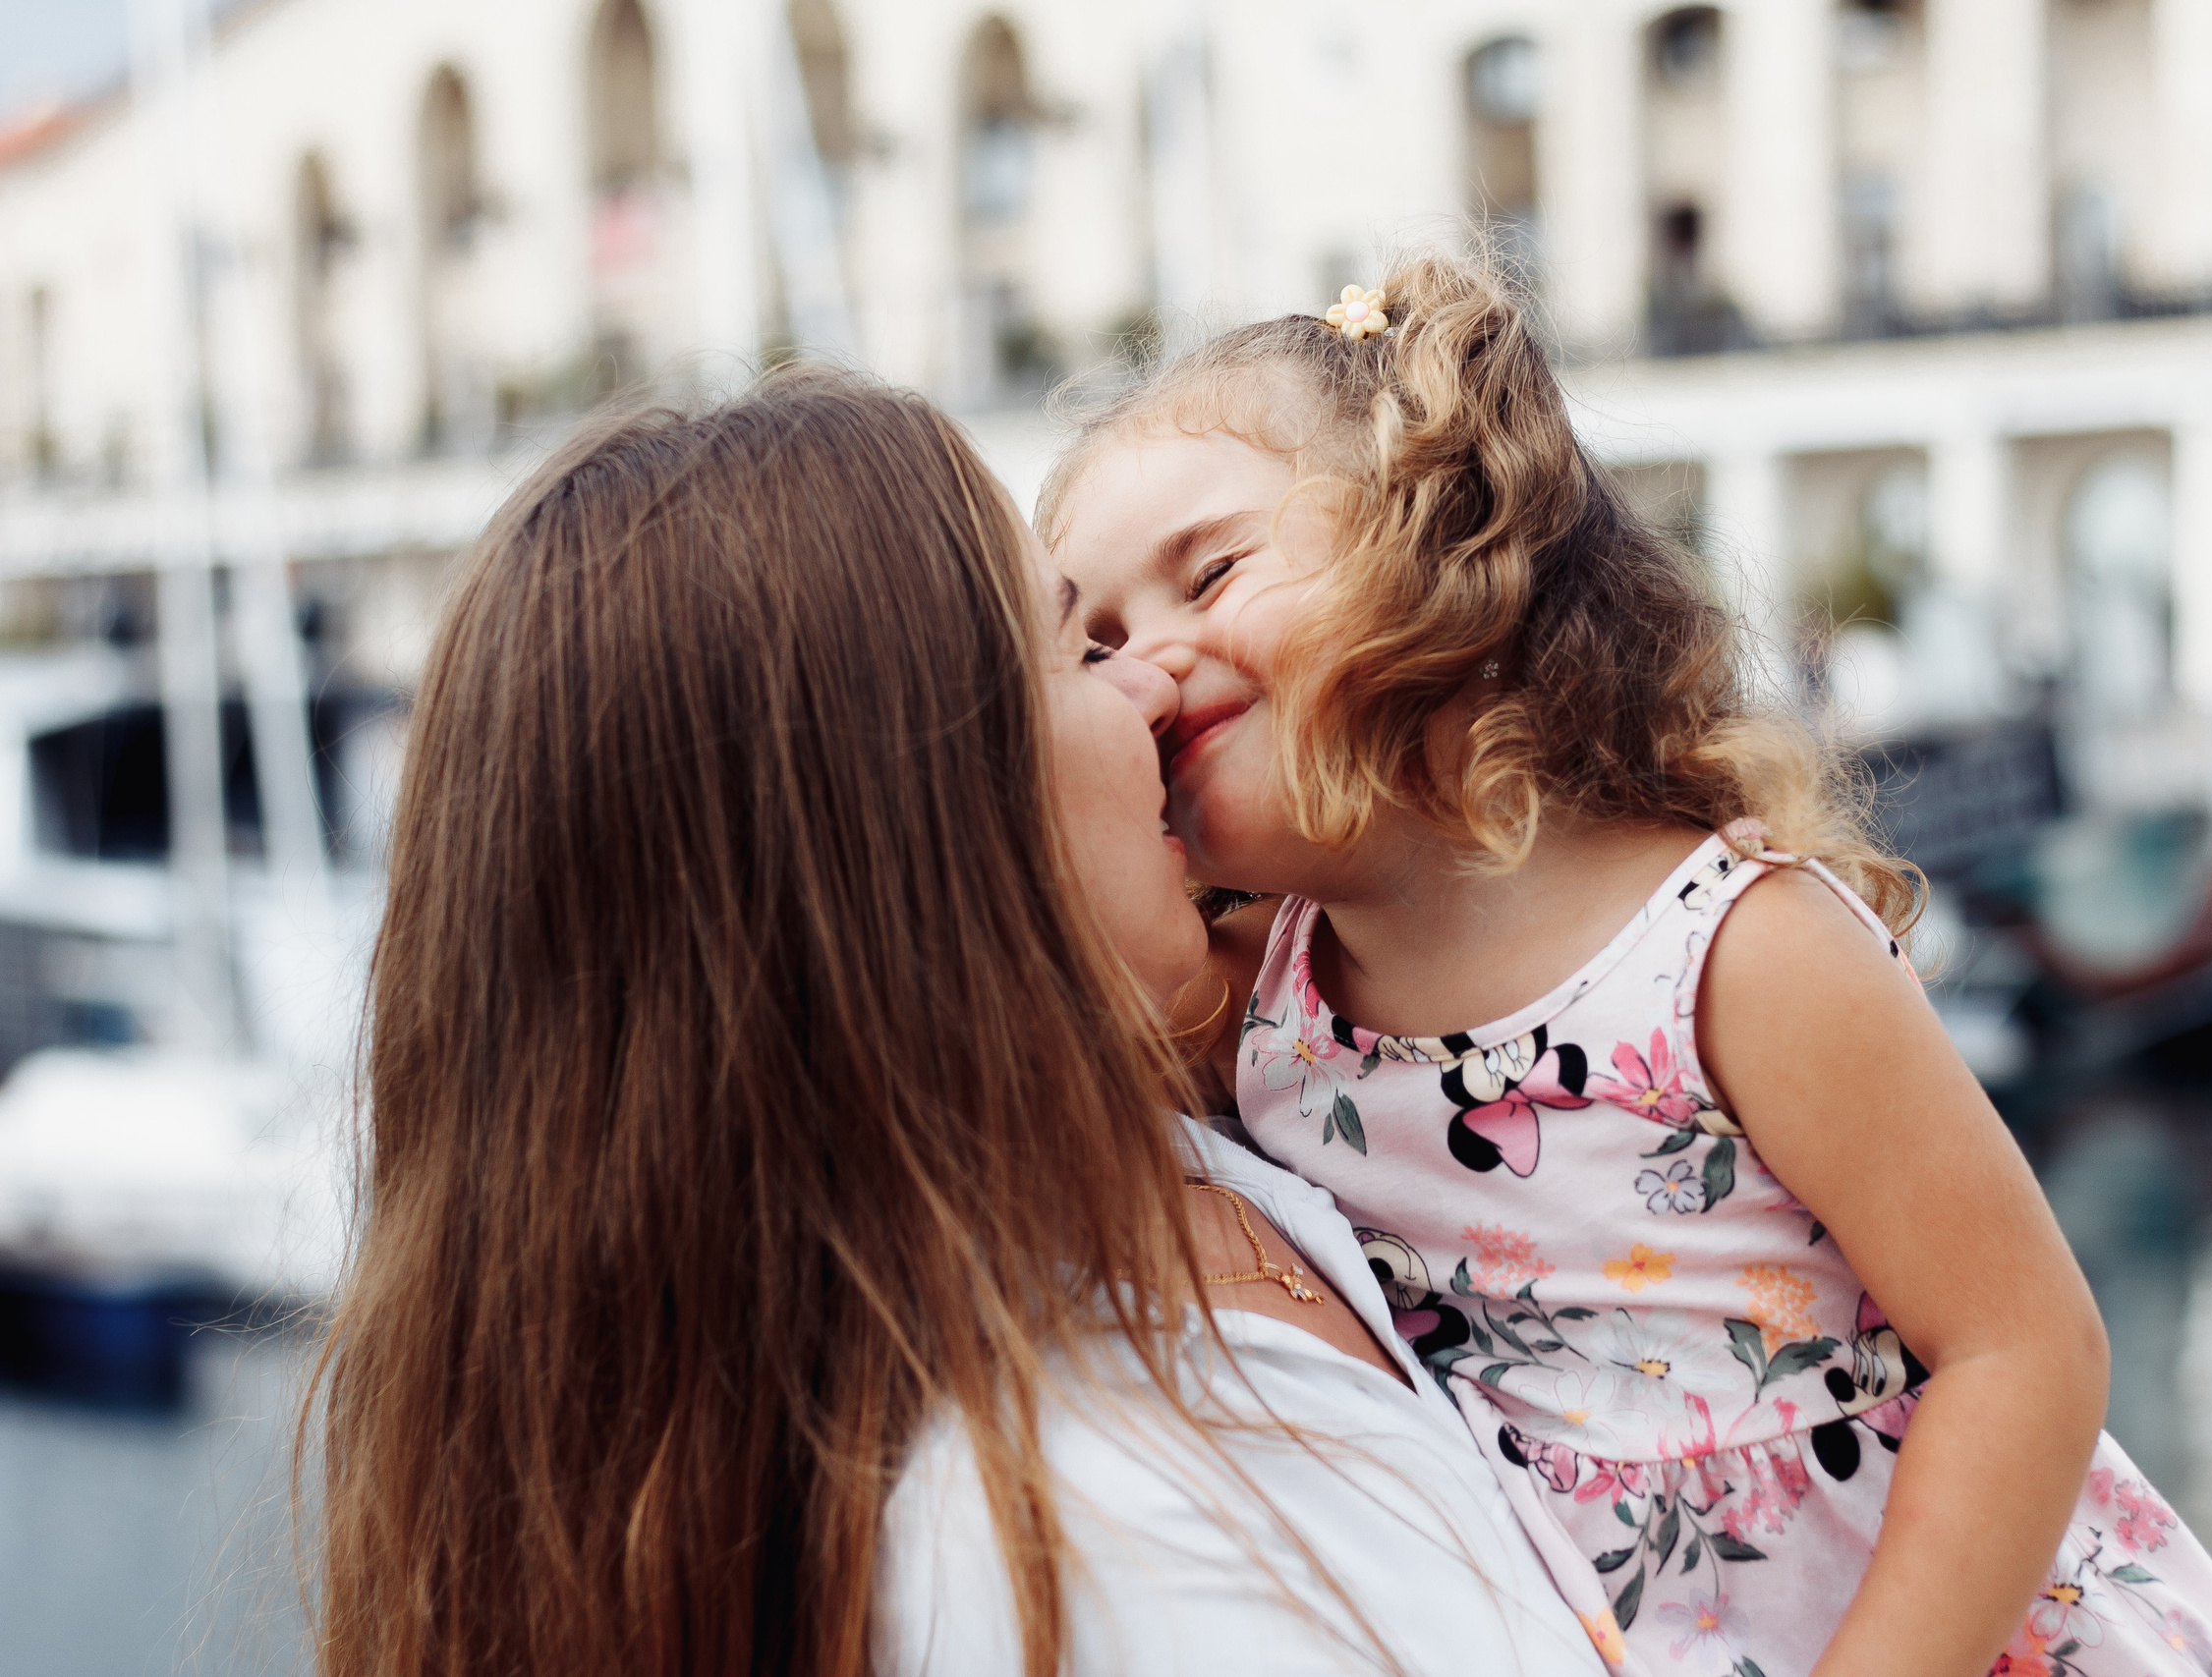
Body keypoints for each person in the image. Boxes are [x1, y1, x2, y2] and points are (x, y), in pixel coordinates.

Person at [1045, 254, 2212, 1677]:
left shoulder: (1736, 953)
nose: (1147, 673)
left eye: (1210, 573)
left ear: (1438, 548)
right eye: (1100, 644)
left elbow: (2025, 1353)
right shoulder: (1251, 1000)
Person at [306, 368, 1601, 1677]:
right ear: (915, 810)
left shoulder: (1177, 1141)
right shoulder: (1070, 1536)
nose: (1151, 695)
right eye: (1077, 649)